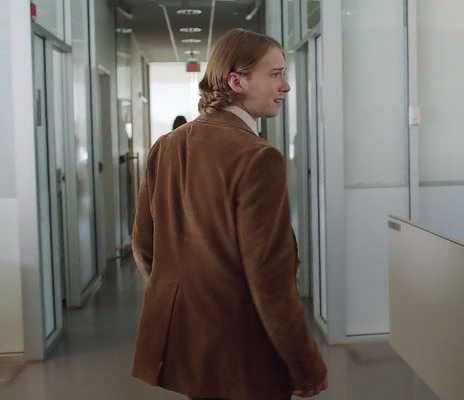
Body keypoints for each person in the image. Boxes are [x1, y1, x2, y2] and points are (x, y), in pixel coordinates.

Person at [131, 29, 328, 400]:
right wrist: (306, 365)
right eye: (275, 74)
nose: (285, 86)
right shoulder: (258, 158)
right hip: (244, 351)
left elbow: (144, 246)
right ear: (237, 82)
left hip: (190, 344)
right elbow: (270, 280)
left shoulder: (166, 146)